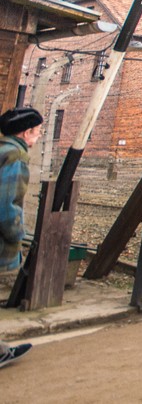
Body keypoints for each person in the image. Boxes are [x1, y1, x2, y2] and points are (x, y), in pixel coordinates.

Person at [0, 107, 42, 369]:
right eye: (37, 132)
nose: (37, 138)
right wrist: (18, 237)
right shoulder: (15, 156)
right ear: (27, 132)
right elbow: (6, 206)